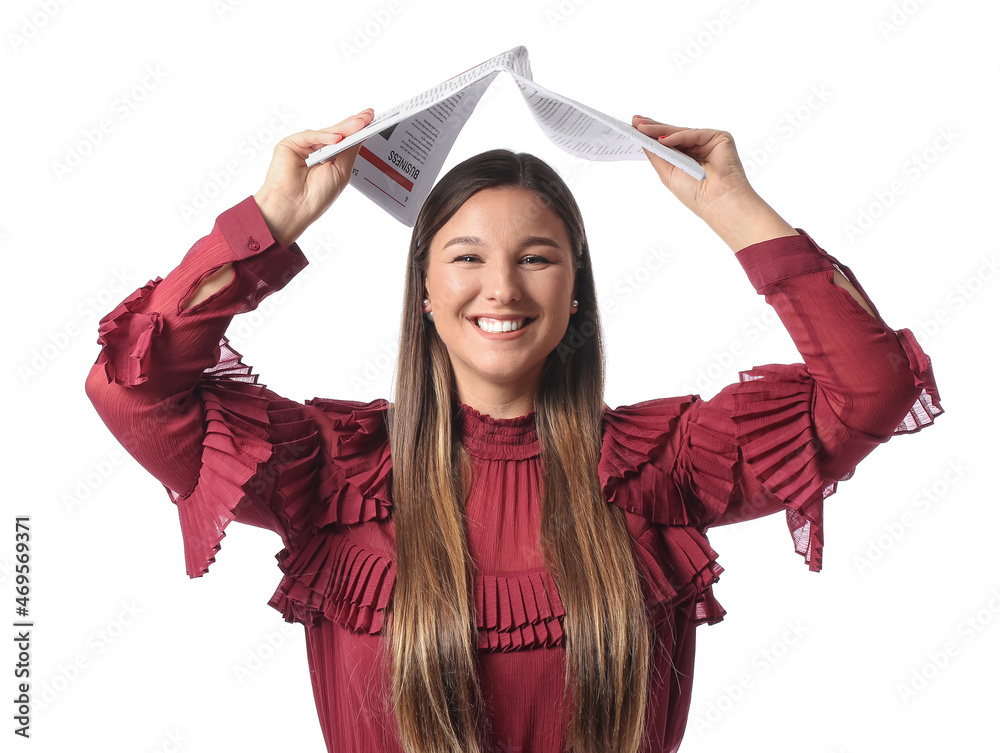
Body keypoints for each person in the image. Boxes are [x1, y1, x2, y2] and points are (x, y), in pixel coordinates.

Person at [85, 108, 941, 753]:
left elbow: (874, 387)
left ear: (575, 294)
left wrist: (735, 207)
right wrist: (268, 219)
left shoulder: (663, 467)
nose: (501, 286)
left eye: (536, 257)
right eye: (465, 257)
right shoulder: (338, 473)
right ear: (423, 292)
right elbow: (133, 387)